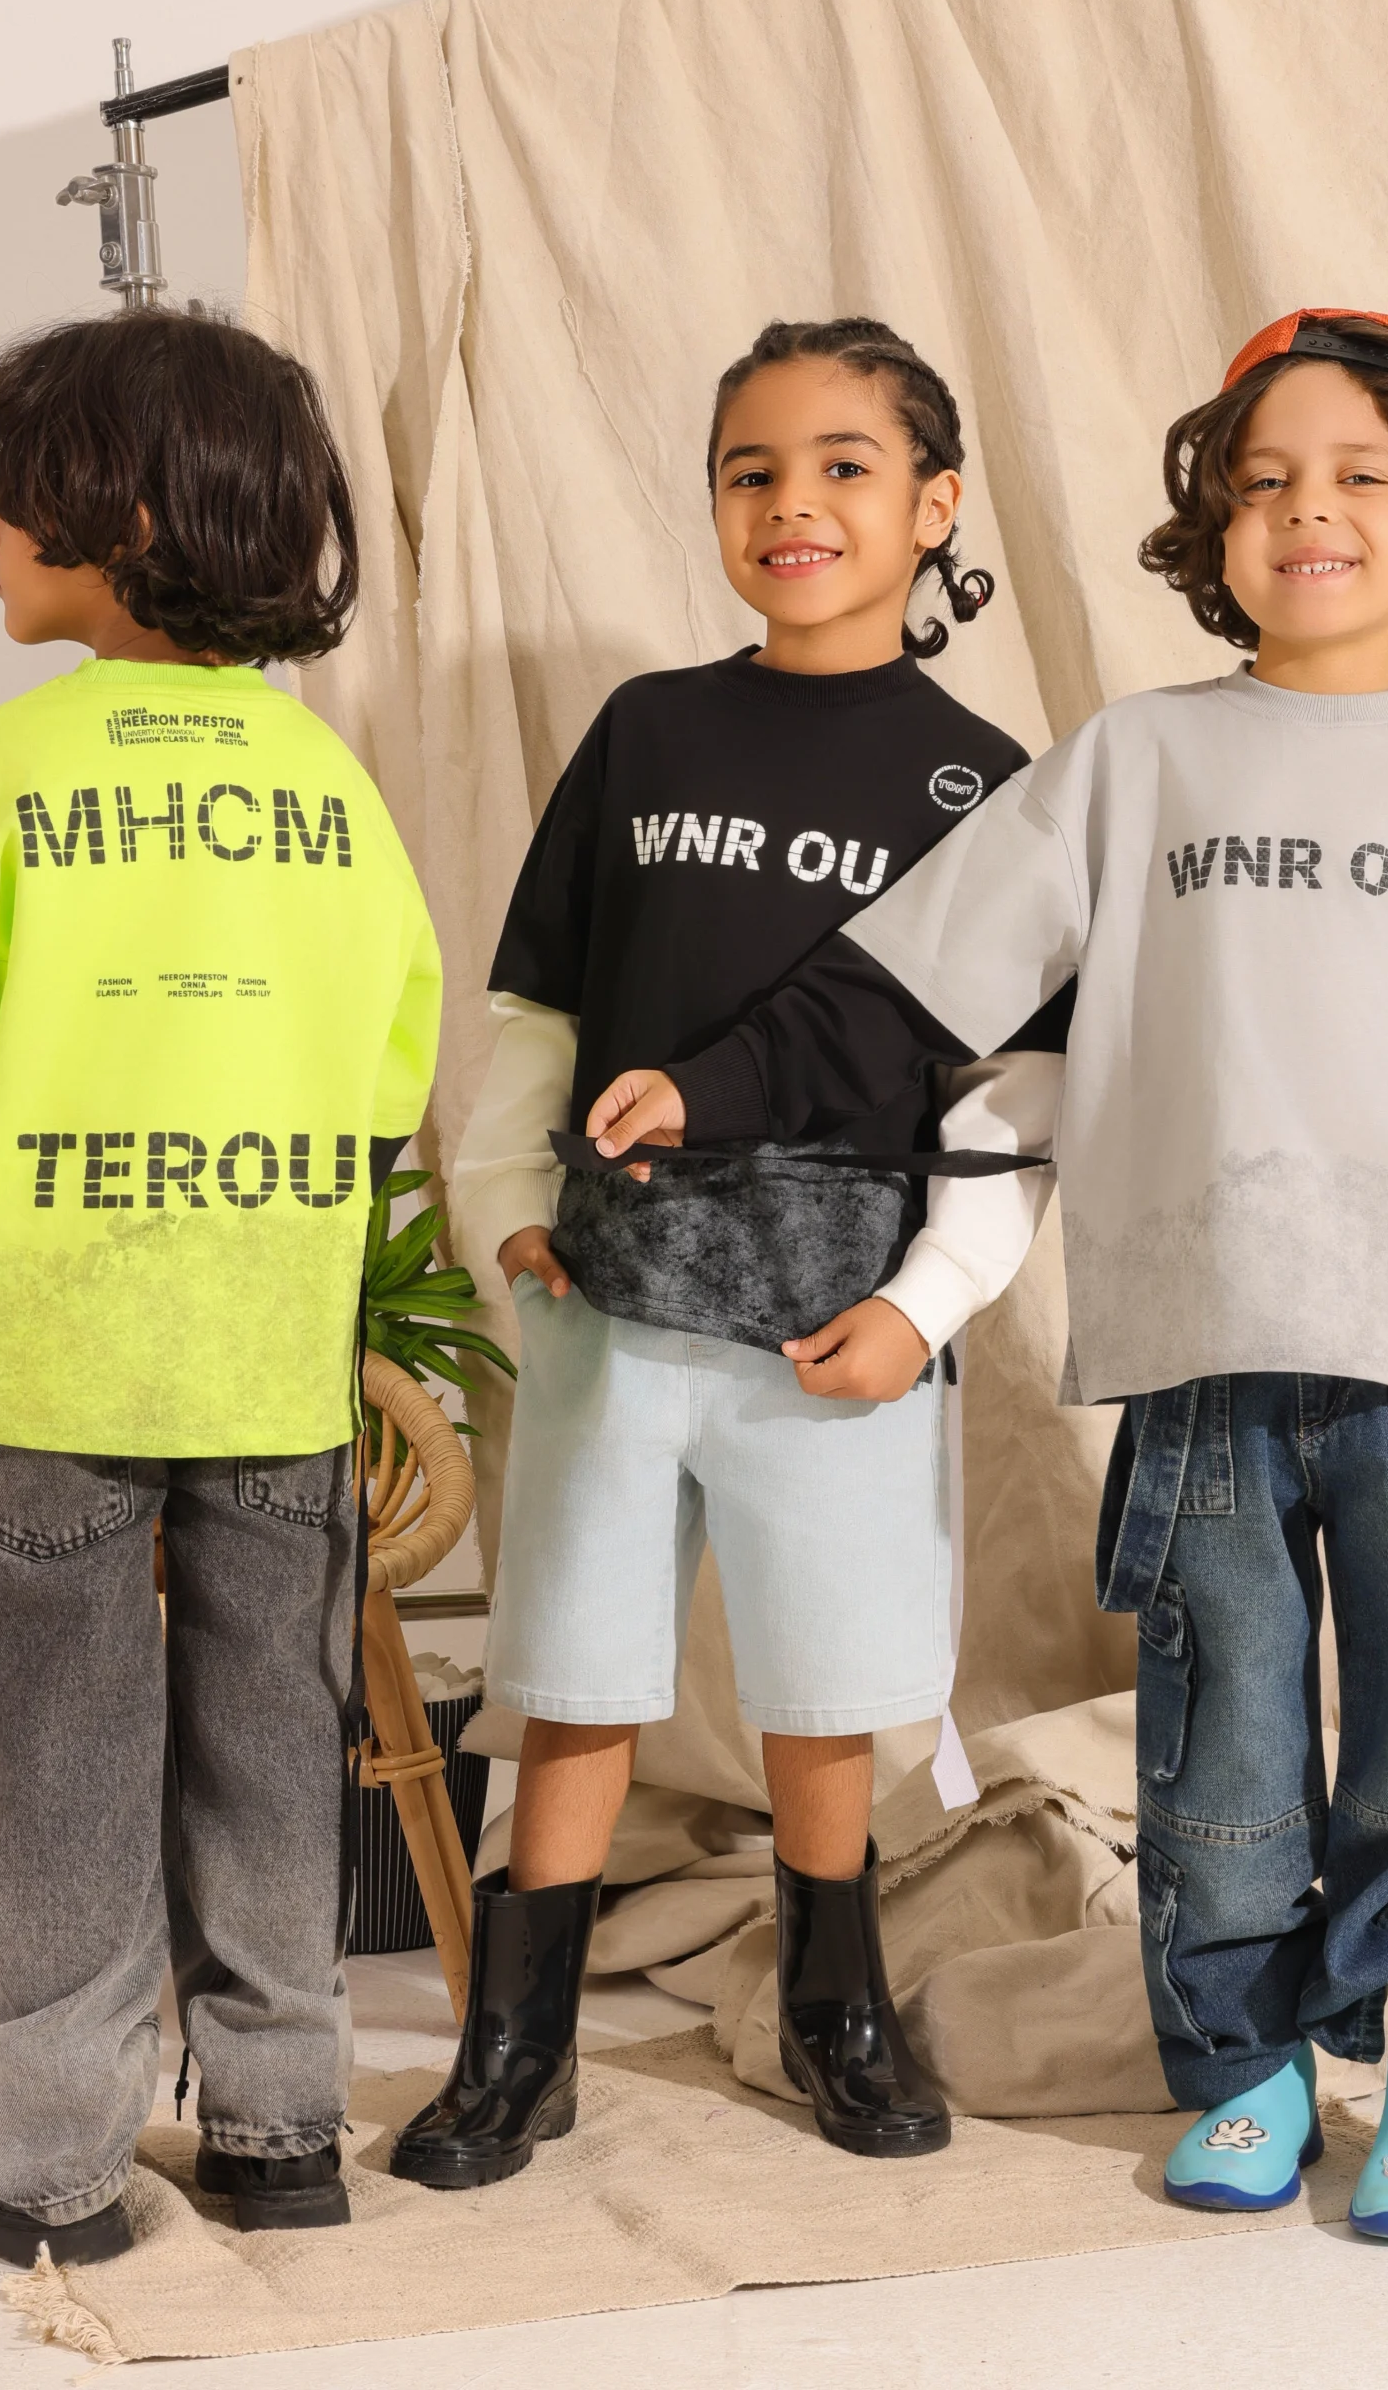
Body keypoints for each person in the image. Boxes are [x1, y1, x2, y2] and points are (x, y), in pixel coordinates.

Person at [582, 310, 1388, 2242]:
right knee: (1222, 1746)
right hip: (1195, 1357)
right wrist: (710, 1087)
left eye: (1362, 478)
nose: (1311, 512)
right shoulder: (1135, 764)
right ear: (1214, 530)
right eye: (1266, 481)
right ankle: (1248, 2073)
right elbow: (906, 984)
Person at [391, 318, 1062, 2187]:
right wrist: (504, 1202)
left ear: (936, 505)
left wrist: (928, 1304)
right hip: (614, 1293)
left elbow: (1006, 1093)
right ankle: (518, 2043)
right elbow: (541, 1001)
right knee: (575, 1662)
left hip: (837, 1316)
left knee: (824, 1681)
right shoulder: (648, 731)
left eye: (847, 466)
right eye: (751, 471)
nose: (794, 504)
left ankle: (838, 2007)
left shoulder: (983, 785)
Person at [0, 309, 441, 2265]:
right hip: (272, 1362)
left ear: (121, 522)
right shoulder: (328, 784)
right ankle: (281, 2132)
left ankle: (43, 2167)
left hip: (51, 1362)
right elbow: (390, 1076)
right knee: (274, 1748)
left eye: (7, 502)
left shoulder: (3, 768)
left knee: (58, 1766)